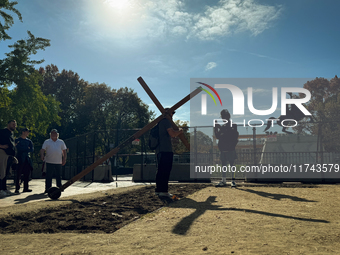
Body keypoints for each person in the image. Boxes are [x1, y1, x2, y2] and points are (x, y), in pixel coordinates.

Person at [154, 109, 183, 198]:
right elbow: (172, 134)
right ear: (169, 114)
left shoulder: (159, 123)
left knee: (160, 170)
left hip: (159, 150)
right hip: (165, 150)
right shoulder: (166, 122)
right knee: (165, 170)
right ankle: (164, 191)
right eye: (172, 113)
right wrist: (180, 131)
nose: (172, 115)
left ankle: (159, 190)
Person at [214, 109, 239, 187]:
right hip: (223, 149)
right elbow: (218, 136)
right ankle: (223, 180)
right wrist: (216, 128)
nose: (223, 118)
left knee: (232, 165)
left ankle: (233, 181)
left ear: (228, 116)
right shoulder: (223, 127)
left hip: (230, 149)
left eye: (224, 116)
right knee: (224, 165)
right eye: (222, 117)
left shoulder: (233, 125)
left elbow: (233, 136)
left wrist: (220, 128)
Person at [40, 129, 67, 194]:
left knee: (58, 175)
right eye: (52, 133)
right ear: (50, 135)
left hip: (58, 162)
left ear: (57, 135)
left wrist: (64, 159)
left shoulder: (61, 142)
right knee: (48, 176)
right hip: (49, 161)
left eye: (55, 133)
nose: (53, 135)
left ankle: (60, 187)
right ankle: (47, 188)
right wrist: (42, 155)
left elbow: (64, 151)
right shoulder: (47, 141)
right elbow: (42, 149)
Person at [0, 120, 17, 197]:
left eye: (15, 125)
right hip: (2, 153)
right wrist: (1, 146)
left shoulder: (11, 134)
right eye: (13, 124)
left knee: (6, 172)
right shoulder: (2, 131)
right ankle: (0, 190)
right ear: (8, 124)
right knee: (1, 172)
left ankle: (4, 189)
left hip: (8, 155)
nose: (14, 126)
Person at [15, 128, 34, 193]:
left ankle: (26, 188)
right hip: (20, 158)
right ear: (23, 132)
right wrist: (26, 148)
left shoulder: (29, 141)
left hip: (27, 158)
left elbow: (32, 149)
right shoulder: (17, 140)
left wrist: (25, 149)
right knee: (18, 174)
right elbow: (18, 148)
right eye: (27, 132)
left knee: (27, 173)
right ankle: (17, 188)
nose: (28, 133)